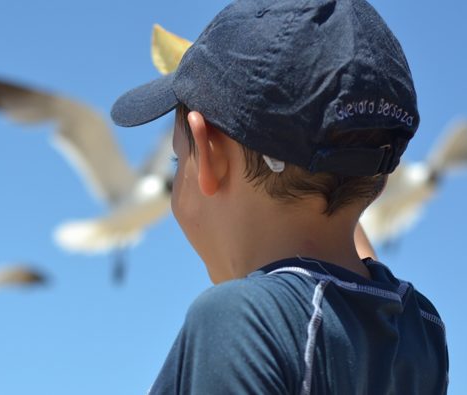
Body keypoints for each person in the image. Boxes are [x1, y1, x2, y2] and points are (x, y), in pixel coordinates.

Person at [110, 0, 449, 394]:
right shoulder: (419, 327)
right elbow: (345, 263)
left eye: (176, 158)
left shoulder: (239, 321)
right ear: (381, 181)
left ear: (208, 154)